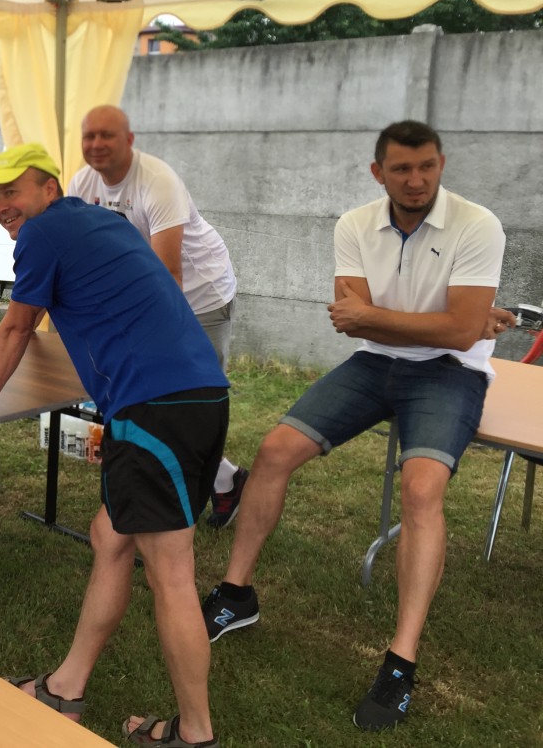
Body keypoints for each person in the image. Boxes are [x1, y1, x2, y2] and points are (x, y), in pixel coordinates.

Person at [200, 120, 510, 732]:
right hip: (374, 364)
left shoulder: (478, 225)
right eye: (402, 169)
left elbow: (452, 335)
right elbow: (354, 324)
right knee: (274, 450)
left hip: (450, 371)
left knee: (422, 490)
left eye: (426, 166)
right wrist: (451, 320)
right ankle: (236, 595)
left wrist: (426, 321)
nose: (416, 180)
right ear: (378, 173)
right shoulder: (354, 224)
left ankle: (401, 661)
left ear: (441, 165)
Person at [0, 144, 230, 748]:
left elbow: (17, 325)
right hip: (199, 395)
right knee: (110, 535)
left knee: (172, 574)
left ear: (50, 188)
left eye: (11, 192)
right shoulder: (101, 221)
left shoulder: (43, 232)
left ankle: (195, 733)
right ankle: (66, 688)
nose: (2, 207)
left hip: (153, 407)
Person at [70, 104, 247, 527]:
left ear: (129, 140)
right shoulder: (82, 183)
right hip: (142, 297)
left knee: (191, 403)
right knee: (154, 403)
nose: (97, 144)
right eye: (89, 136)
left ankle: (200, 490)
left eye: (107, 135)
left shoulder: (157, 180)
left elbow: (169, 272)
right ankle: (227, 478)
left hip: (201, 297)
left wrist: (142, 332)